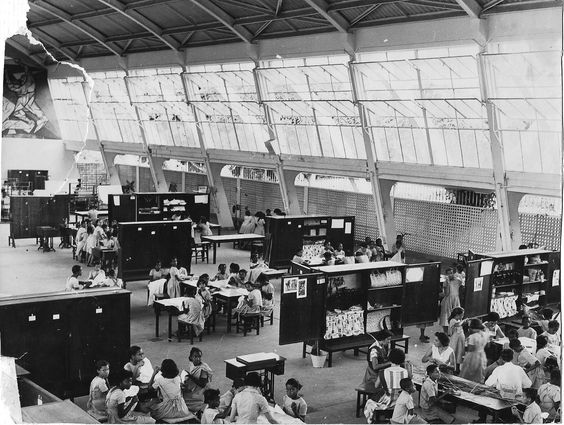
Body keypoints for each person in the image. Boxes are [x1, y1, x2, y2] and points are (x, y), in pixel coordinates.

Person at [183, 347, 213, 414]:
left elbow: (203, 384)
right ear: (191, 357)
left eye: (199, 357)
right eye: (195, 356)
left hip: (199, 394)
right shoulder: (192, 363)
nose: (198, 359)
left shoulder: (203, 370)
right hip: (194, 389)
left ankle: (197, 410)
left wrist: (191, 377)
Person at [460, 318, 488, 383]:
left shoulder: (473, 336)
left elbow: (470, 349)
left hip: (473, 356)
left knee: (469, 373)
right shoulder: (485, 334)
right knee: (479, 372)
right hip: (482, 354)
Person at [439, 268, 463, 332]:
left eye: (451, 273)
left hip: (455, 299)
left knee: (456, 316)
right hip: (448, 300)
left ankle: (454, 331)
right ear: (446, 274)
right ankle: (446, 333)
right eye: (448, 273)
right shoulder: (446, 282)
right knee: (446, 317)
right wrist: (448, 283)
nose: (450, 275)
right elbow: (446, 294)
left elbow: (460, 285)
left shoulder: (457, 280)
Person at [447, 307, 466, 372]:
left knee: (459, 353)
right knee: (455, 352)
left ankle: (457, 368)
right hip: (455, 340)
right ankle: (453, 368)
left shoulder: (458, 320)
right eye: (462, 315)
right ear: (457, 315)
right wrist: (464, 321)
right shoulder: (452, 320)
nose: (462, 316)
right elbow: (458, 325)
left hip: (460, 340)